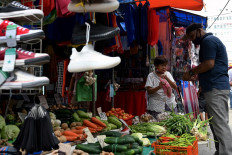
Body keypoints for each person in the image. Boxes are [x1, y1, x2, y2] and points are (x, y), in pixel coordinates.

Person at [183, 23, 232, 155]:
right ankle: (220, 151)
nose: (192, 40)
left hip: (216, 88)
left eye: (192, 36)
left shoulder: (208, 41)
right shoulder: (208, 42)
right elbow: (209, 68)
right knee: (215, 124)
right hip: (212, 87)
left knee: (220, 124)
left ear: (199, 31)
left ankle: (226, 152)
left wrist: (192, 72)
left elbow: (209, 64)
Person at [145, 56, 178, 120]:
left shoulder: (168, 74)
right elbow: (149, 91)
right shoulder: (151, 76)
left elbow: (175, 87)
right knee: (158, 125)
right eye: (162, 65)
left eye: (165, 65)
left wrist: (167, 78)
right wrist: (159, 87)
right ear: (156, 66)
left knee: (172, 124)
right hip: (156, 106)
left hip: (169, 104)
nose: (164, 67)